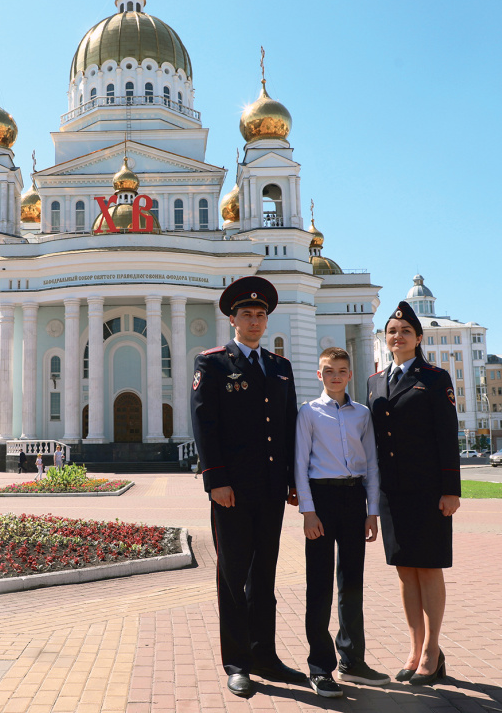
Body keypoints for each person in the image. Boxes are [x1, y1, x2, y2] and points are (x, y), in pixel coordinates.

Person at [190, 275, 305, 699]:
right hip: (231, 492)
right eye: (247, 315)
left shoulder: (279, 368)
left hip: (272, 489)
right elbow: (205, 425)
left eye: (261, 315)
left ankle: (265, 656)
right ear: (233, 320)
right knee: (232, 575)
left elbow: (288, 427)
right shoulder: (214, 363)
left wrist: (293, 482)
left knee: (265, 577)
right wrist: (216, 480)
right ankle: (237, 663)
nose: (255, 321)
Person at [366, 300, 461, 686]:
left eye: (405, 331)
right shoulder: (374, 381)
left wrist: (450, 489)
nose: (398, 336)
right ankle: (414, 646)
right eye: (392, 331)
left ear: (418, 338)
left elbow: (447, 436)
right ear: (385, 338)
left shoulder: (436, 378)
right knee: (405, 572)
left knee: (429, 567)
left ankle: (432, 651)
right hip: (392, 493)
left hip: (427, 491)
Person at [295, 347, 388, 698]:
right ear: (320, 375)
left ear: (350, 374)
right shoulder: (308, 412)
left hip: (353, 501)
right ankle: (320, 667)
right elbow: (299, 463)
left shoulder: (362, 414)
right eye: (329, 370)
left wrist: (372, 511)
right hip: (321, 500)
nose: (336, 376)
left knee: (352, 583)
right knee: (318, 585)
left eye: (342, 370)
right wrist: (308, 512)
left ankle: (353, 660)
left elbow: (373, 463)